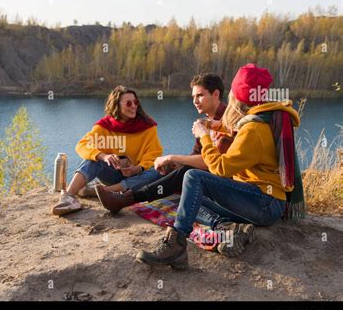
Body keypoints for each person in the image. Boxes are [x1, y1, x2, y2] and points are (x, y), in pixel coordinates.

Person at [135, 63, 304, 269]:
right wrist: (216, 125)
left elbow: (221, 168)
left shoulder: (254, 129)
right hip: (260, 198)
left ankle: (177, 244)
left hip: (265, 203)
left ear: (238, 95)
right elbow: (238, 124)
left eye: (233, 91)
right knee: (189, 200)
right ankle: (230, 229)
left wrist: (204, 137)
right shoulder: (264, 115)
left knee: (193, 178)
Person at [95, 73, 233, 213]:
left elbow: (214, 163)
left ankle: (128, 198)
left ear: (216, 94)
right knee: (165, 169)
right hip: (209, 176)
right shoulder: (205, 122)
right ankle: (125, 194)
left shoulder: (228, 121)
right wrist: (174, 164)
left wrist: (172, 158)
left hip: (229, 185)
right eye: (193, 97)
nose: (195, 101)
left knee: (186, 171)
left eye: (200, 95)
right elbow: (197, 154)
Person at [51, 85, 163, 216]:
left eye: (136, 102)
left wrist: (139, 168)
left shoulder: (148, 126)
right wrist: (103, 156)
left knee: (158, 172)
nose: (134, 106)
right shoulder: (104, 126)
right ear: (116, 105)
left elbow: (154, 154)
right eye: (128, 103)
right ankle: (69, 197)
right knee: (93, 158)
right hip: (112, 175)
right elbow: (82, 145)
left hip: (137, 176)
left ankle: (103, 191)